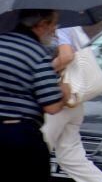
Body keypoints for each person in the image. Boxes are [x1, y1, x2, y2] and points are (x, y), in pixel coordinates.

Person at [0, 9, 71, 182]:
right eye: (54, 25)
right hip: (17, 135)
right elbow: (52, 106)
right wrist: (64, 92)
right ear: (41, 25)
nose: (54, 32)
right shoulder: (37, 53)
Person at [43, 26, 102, 182]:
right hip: (73, 101)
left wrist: (41, 71)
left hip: (56, 100)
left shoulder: (58, 25)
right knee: (73, 159)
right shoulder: (69, 24)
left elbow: (66, 56)